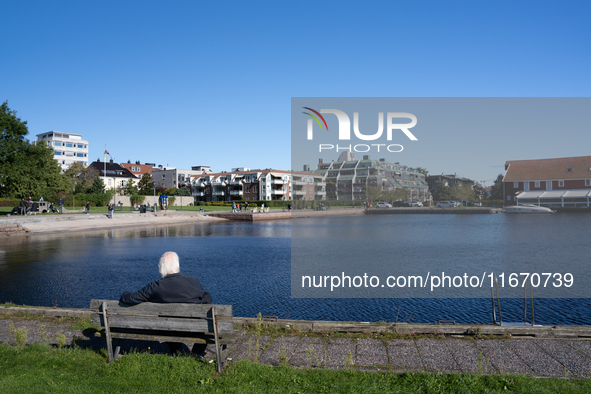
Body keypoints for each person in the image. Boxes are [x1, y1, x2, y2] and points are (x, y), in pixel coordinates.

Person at [120, 251, 211, 356]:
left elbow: (131, 298)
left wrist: (124, 294)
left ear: (161, 267)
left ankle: (177, 353)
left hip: (169, 328)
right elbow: (207, 298)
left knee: (169, 324)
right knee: (206, 327)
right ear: (177, 265)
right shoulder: (193, 281)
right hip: (194, 328)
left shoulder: (156, 287)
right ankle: (196, 354)